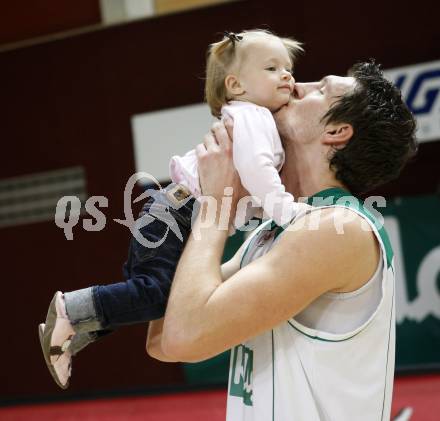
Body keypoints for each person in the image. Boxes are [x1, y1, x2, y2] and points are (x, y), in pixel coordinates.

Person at [147, 61, 417, 421]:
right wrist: (196, 194)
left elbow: (183, 337)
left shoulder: (339, 228)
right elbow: (163, 338)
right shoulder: (271, 230)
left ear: (337, 131)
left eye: (320, 89)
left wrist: (216, 205)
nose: (294, 86)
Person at [38, 29, 305, 389]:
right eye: (272, 68)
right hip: (175, 214)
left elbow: (244, 190)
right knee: (157, 293)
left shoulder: (252, 117)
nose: (287, 75)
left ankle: (73, 329)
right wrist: (287, 210)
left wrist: (261, 212)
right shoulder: (253, 117)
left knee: (156, 296)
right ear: (236, 85)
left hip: (170, 210)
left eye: (288, 68)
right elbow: (256, 169)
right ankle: (71, 308)